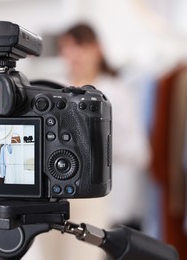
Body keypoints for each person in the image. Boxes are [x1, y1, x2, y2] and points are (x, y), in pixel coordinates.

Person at [31, 23, 151, 260]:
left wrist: (94, 143)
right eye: (67, 48)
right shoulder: (52, 91)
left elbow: (141, 153)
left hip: (94, 200)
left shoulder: (116, 93)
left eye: (80, 47)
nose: (72, 55)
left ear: (97, 50)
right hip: (52, 196)